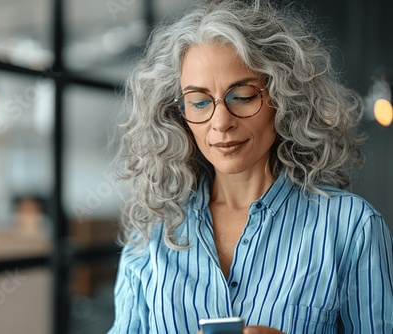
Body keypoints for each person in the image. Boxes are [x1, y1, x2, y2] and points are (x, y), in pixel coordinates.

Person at [108, 0, 393, 333]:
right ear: (179, 114)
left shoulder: (351, 228)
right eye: (199, 102)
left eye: (242, 96)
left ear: (283, 98)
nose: (221, 122)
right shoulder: (151, 236)